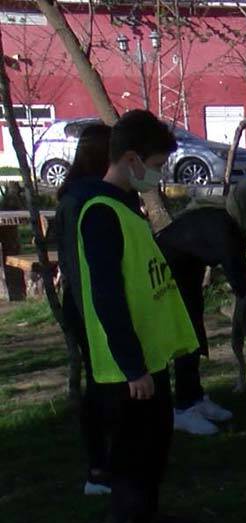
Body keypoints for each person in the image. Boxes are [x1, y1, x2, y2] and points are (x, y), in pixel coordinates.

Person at [68, 110, 199, 523]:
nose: (160, 172)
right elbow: (106, 295)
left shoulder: (125, 203)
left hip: (149, 355)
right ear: (130, 158)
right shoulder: (100, 212)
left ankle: (148, 520)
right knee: (133, 454)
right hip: (128, 366)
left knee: (154, 445)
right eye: (158, 163)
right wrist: (131, 367)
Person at [156, 178, 246, 435]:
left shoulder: (233, 222)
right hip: (166, 275)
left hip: (187, 273)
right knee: (185, 338)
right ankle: (182, 410)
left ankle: (194, 398)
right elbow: (242, 289)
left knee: (193, 335)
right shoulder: (224, 230)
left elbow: (244, 272)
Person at [54, 123, 113, 496]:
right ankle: (98, 468)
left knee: (101, 384)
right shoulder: (84, 201)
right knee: (101, 386)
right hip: (89, 306)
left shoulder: (76, 196)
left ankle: (104, 462)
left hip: (85, 304)